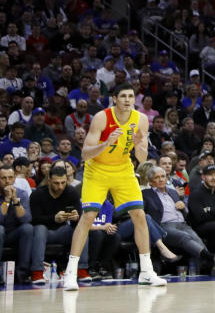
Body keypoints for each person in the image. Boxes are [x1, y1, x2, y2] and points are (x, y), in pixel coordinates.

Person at [61, 82, 167, 290]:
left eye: (131, 96)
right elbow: (85, 154)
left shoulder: (141, 120)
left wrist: (138, 143)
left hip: (123, 169)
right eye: (124, 96)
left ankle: (146, 272)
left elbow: (142, 158)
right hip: (97, 169)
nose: (128, 100)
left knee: (139, 214)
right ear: (115, 99)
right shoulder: (102, 118)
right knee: (88, 216)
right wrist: (106, 143)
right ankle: (70, 273)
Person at [142, 165, 215, 274]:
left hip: (182, 224)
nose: (161, 179)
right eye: (157, 177)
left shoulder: (173, 192)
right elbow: (144, 214)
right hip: (164, 226)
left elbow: (186, 213)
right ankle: (212, 258)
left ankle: (210, 266)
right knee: (185, 237)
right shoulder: (146, 194)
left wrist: (183, 207)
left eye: (163, 176)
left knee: (196, 238)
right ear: (151, 182)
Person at [29, 166, 87, 284]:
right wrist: (54, 218)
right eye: (56, 183)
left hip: (63, 231)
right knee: (39, 228)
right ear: (49, 180)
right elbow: (34, 220)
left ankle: (81, 269)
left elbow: (78, 218)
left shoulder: (71, 192)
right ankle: (37, 272)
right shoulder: (38, 194)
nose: (60, 186)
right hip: (44, 233)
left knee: (81, 228)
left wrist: (76, 218)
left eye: (63, 183)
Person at [1, 163, 34, 285]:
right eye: (3, 178)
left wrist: (15, 200)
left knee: (28, 228)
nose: (7, 181)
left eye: (10, 177)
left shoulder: (21, 194)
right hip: (1, 232)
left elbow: (26, 219)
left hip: (14, 233)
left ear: (14, 178)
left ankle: (23, 274)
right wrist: (6, 200)